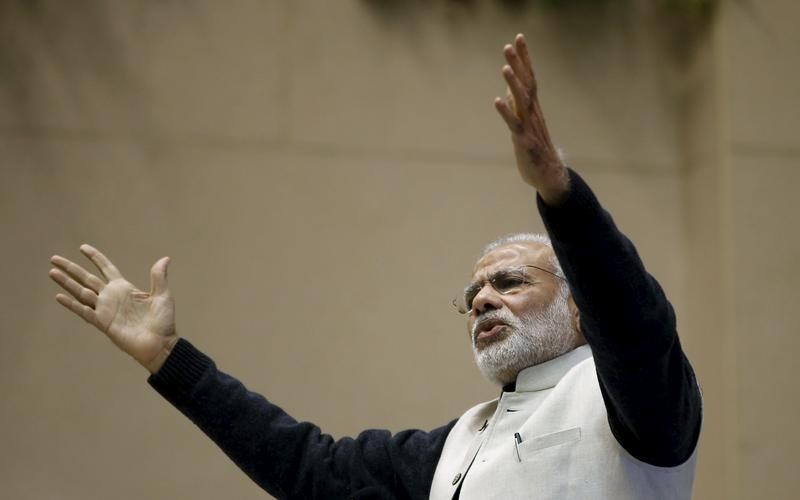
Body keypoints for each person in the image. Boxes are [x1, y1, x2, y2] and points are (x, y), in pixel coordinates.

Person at [48, 34, 701, 499]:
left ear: (580, 308)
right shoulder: (455, 447)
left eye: (509, 282)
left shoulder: (637, 404)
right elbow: (313, 468)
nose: (481, 300)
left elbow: (634, 319)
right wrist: (170, 359)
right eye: (473, 291)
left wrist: (559, 192)